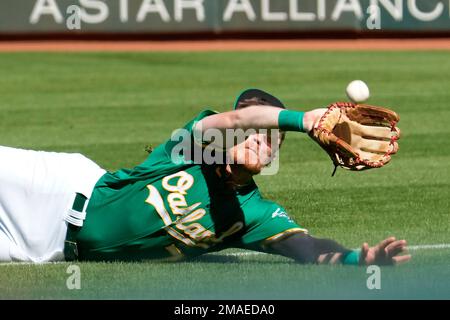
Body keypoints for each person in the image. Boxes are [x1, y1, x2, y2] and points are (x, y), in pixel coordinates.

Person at [0, 89, 410, 265]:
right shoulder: (188, 149)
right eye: (249, 130)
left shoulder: (251, 214)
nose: (256, 140)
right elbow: (236, 116)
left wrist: (358, 259)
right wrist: (302, 119)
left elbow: (307, 248)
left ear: (275, 154)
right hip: (56, 189)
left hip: (47, 250)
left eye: (269, 140)